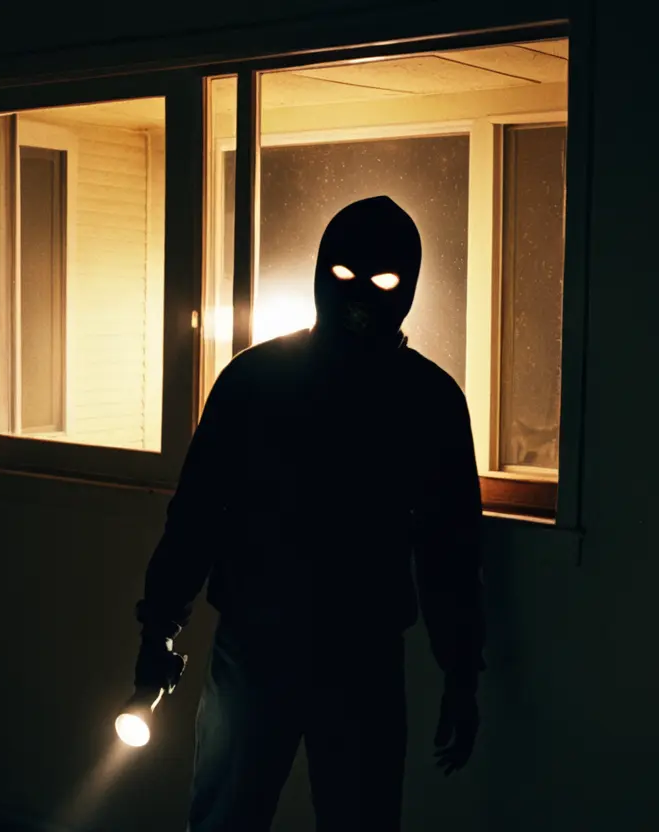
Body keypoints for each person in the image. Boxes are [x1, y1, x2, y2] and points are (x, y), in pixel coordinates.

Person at [130, 195, 485, 831]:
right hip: (283, 649)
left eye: (381, 281)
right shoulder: (420, 397)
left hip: (327, 652)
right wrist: (158, 623)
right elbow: (198, 516)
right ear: (321, 272)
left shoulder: (265, 379)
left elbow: (449, 548)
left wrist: (462, 669)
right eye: (346, 276)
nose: (359, 296)